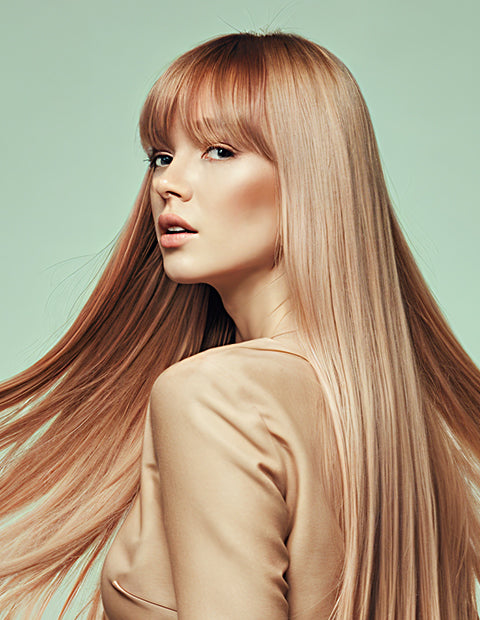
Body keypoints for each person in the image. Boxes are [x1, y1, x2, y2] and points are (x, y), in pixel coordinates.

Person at [1, 30, 479, 620]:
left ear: (313, 177)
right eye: (161, 155)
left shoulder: (212, 396)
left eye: (220, 152)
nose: (168, 183)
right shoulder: (414, 426)